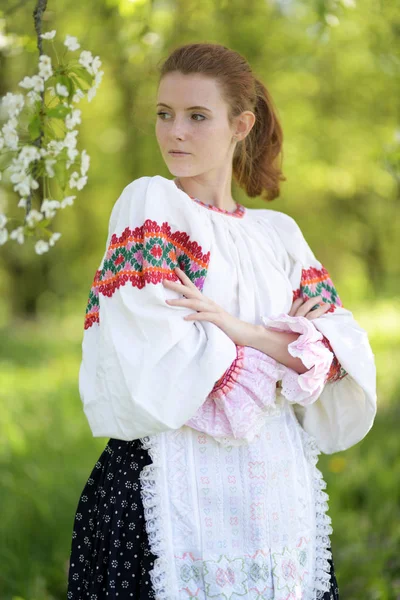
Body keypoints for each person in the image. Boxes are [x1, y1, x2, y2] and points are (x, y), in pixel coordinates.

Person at [67, 42, 377, 599]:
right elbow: (154, 360)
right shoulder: (152, 206)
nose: (174, 133)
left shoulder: (279, 236)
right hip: (168, 492)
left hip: (278, 502)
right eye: (164, 114)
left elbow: (340, 361)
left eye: (196, 116)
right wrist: (285, 346)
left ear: (241, 124)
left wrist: (237, 331)